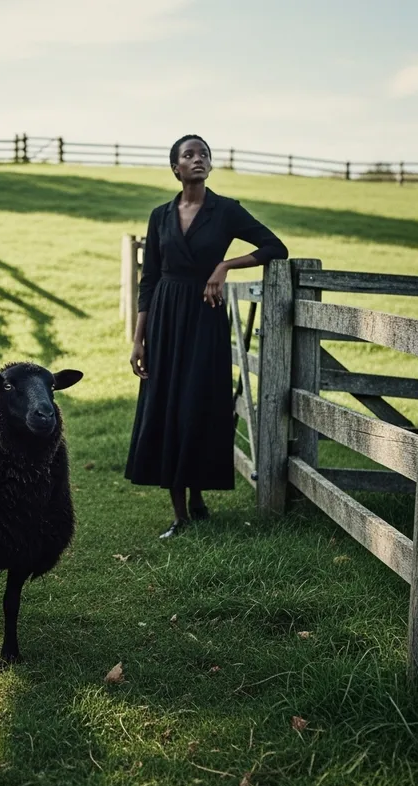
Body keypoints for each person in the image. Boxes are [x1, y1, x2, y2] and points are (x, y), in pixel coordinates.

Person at [125, 134, 288, 538]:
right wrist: (138, 339)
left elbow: (275, 247)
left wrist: (225, 265)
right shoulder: (160, 215)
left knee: (197, 402)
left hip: (205, 317)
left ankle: (198, 496)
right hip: (164, 318)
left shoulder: (226, 211)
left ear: (210, 166)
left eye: (204, 154)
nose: (198, 159)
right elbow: (148, 280)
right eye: (188, 154)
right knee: (167, 405)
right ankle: (180, 513)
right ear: (176, 168)